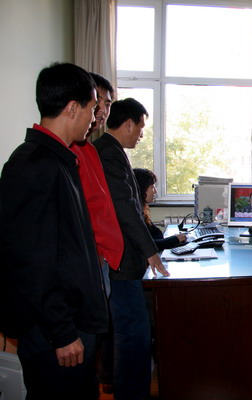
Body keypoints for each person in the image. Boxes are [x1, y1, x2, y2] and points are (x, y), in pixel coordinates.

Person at [0, 62, 108, 399]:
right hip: (56, 332)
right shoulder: (32, 166)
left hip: (70, 321)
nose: (94, 118)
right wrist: (61, 331)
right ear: (73, 108)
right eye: (92, 108)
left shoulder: (60, 160)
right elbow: (29, 262)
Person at [93, 97, 170, 400]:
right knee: (133, 333)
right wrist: (151, 251)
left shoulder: (111, 151)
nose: (141, 134)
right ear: (128, 123)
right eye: (140, 127)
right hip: (121, 263)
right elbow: (125, 207)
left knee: (134, 332)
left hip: (122, 260)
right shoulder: (108, 153)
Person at [70, 72, 124, 395]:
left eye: (106, 105)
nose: (102, 112)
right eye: (98, 103)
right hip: (85, 268)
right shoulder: (68, 154)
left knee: (90, 352)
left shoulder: (88, 149)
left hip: (99, 262)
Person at [133, 167, 187, 250]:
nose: (155, 191)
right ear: (140, 189)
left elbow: (156, 233)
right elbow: (147, 245)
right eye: (152, 187)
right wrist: (175, 239)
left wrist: (173, 239)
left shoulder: (141, 209)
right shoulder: (133, 214)